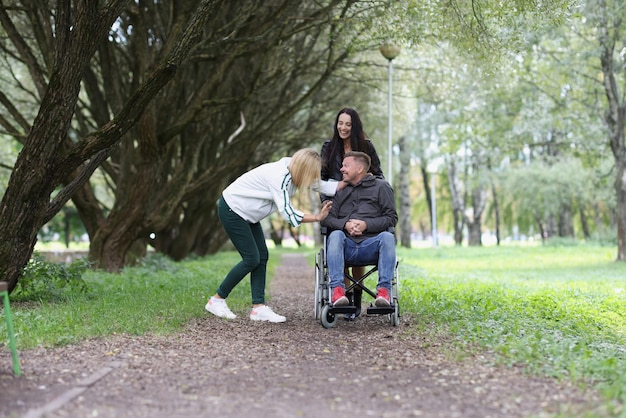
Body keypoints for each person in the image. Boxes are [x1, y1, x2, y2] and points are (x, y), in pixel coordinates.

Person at [206, 148, 338, 323]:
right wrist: (317, 217)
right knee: (251, 258)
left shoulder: (295, 169)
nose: (311, 179)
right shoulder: (280, 176)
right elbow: (287, 213)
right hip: (233, 209)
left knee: (262, 256)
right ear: (304, 170)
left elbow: (322, 185)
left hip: (248, 214)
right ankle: (217, 300)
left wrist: (352, 181)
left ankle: (258, 308)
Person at [320, 107, 384, 319]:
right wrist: (329, 206)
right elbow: (321, 181)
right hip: (338, 205)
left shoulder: (367, 146)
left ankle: (356, 298)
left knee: (358, 245)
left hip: (363, 206)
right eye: (340, 123)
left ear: (354, 126)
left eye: (348, 124)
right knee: (341, 245)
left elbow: (379, 176)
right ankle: (343, 297)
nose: (343, 127)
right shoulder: (328, 148)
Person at [320, 151, 397, 309]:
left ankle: (384, 292)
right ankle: (337, 291)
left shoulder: (381, 187)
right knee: (335, 235)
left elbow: (391, 218)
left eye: (346, 165)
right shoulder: (340, 190)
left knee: (388, 237)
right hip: (344, 246)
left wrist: (366, 224)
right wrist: (345, 224)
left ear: (360, 168)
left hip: (371, 246)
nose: (341, 169)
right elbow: (327, 218)